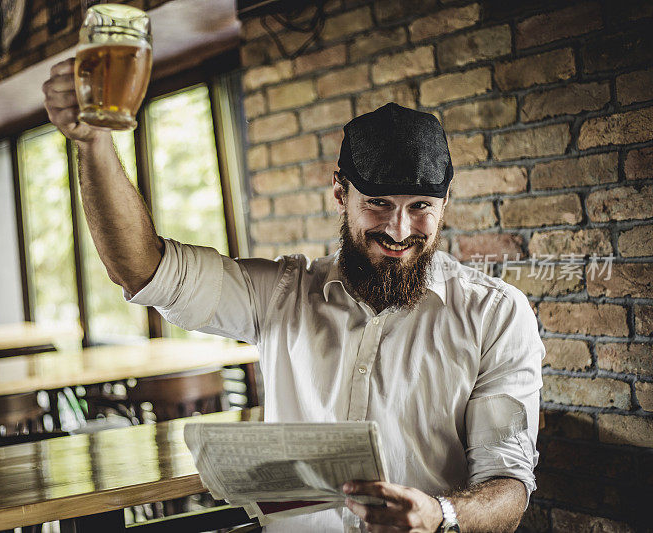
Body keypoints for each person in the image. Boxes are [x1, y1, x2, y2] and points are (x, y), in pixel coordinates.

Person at [43, 58, 544, 533]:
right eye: (377, 203)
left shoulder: (496, 314)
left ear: (445, 202)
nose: (399, 229)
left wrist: (440, 515)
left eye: (421, 207)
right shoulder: (284, 292)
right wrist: (93, 146)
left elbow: (509, 487)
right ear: (340, 193)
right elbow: (143, 268)